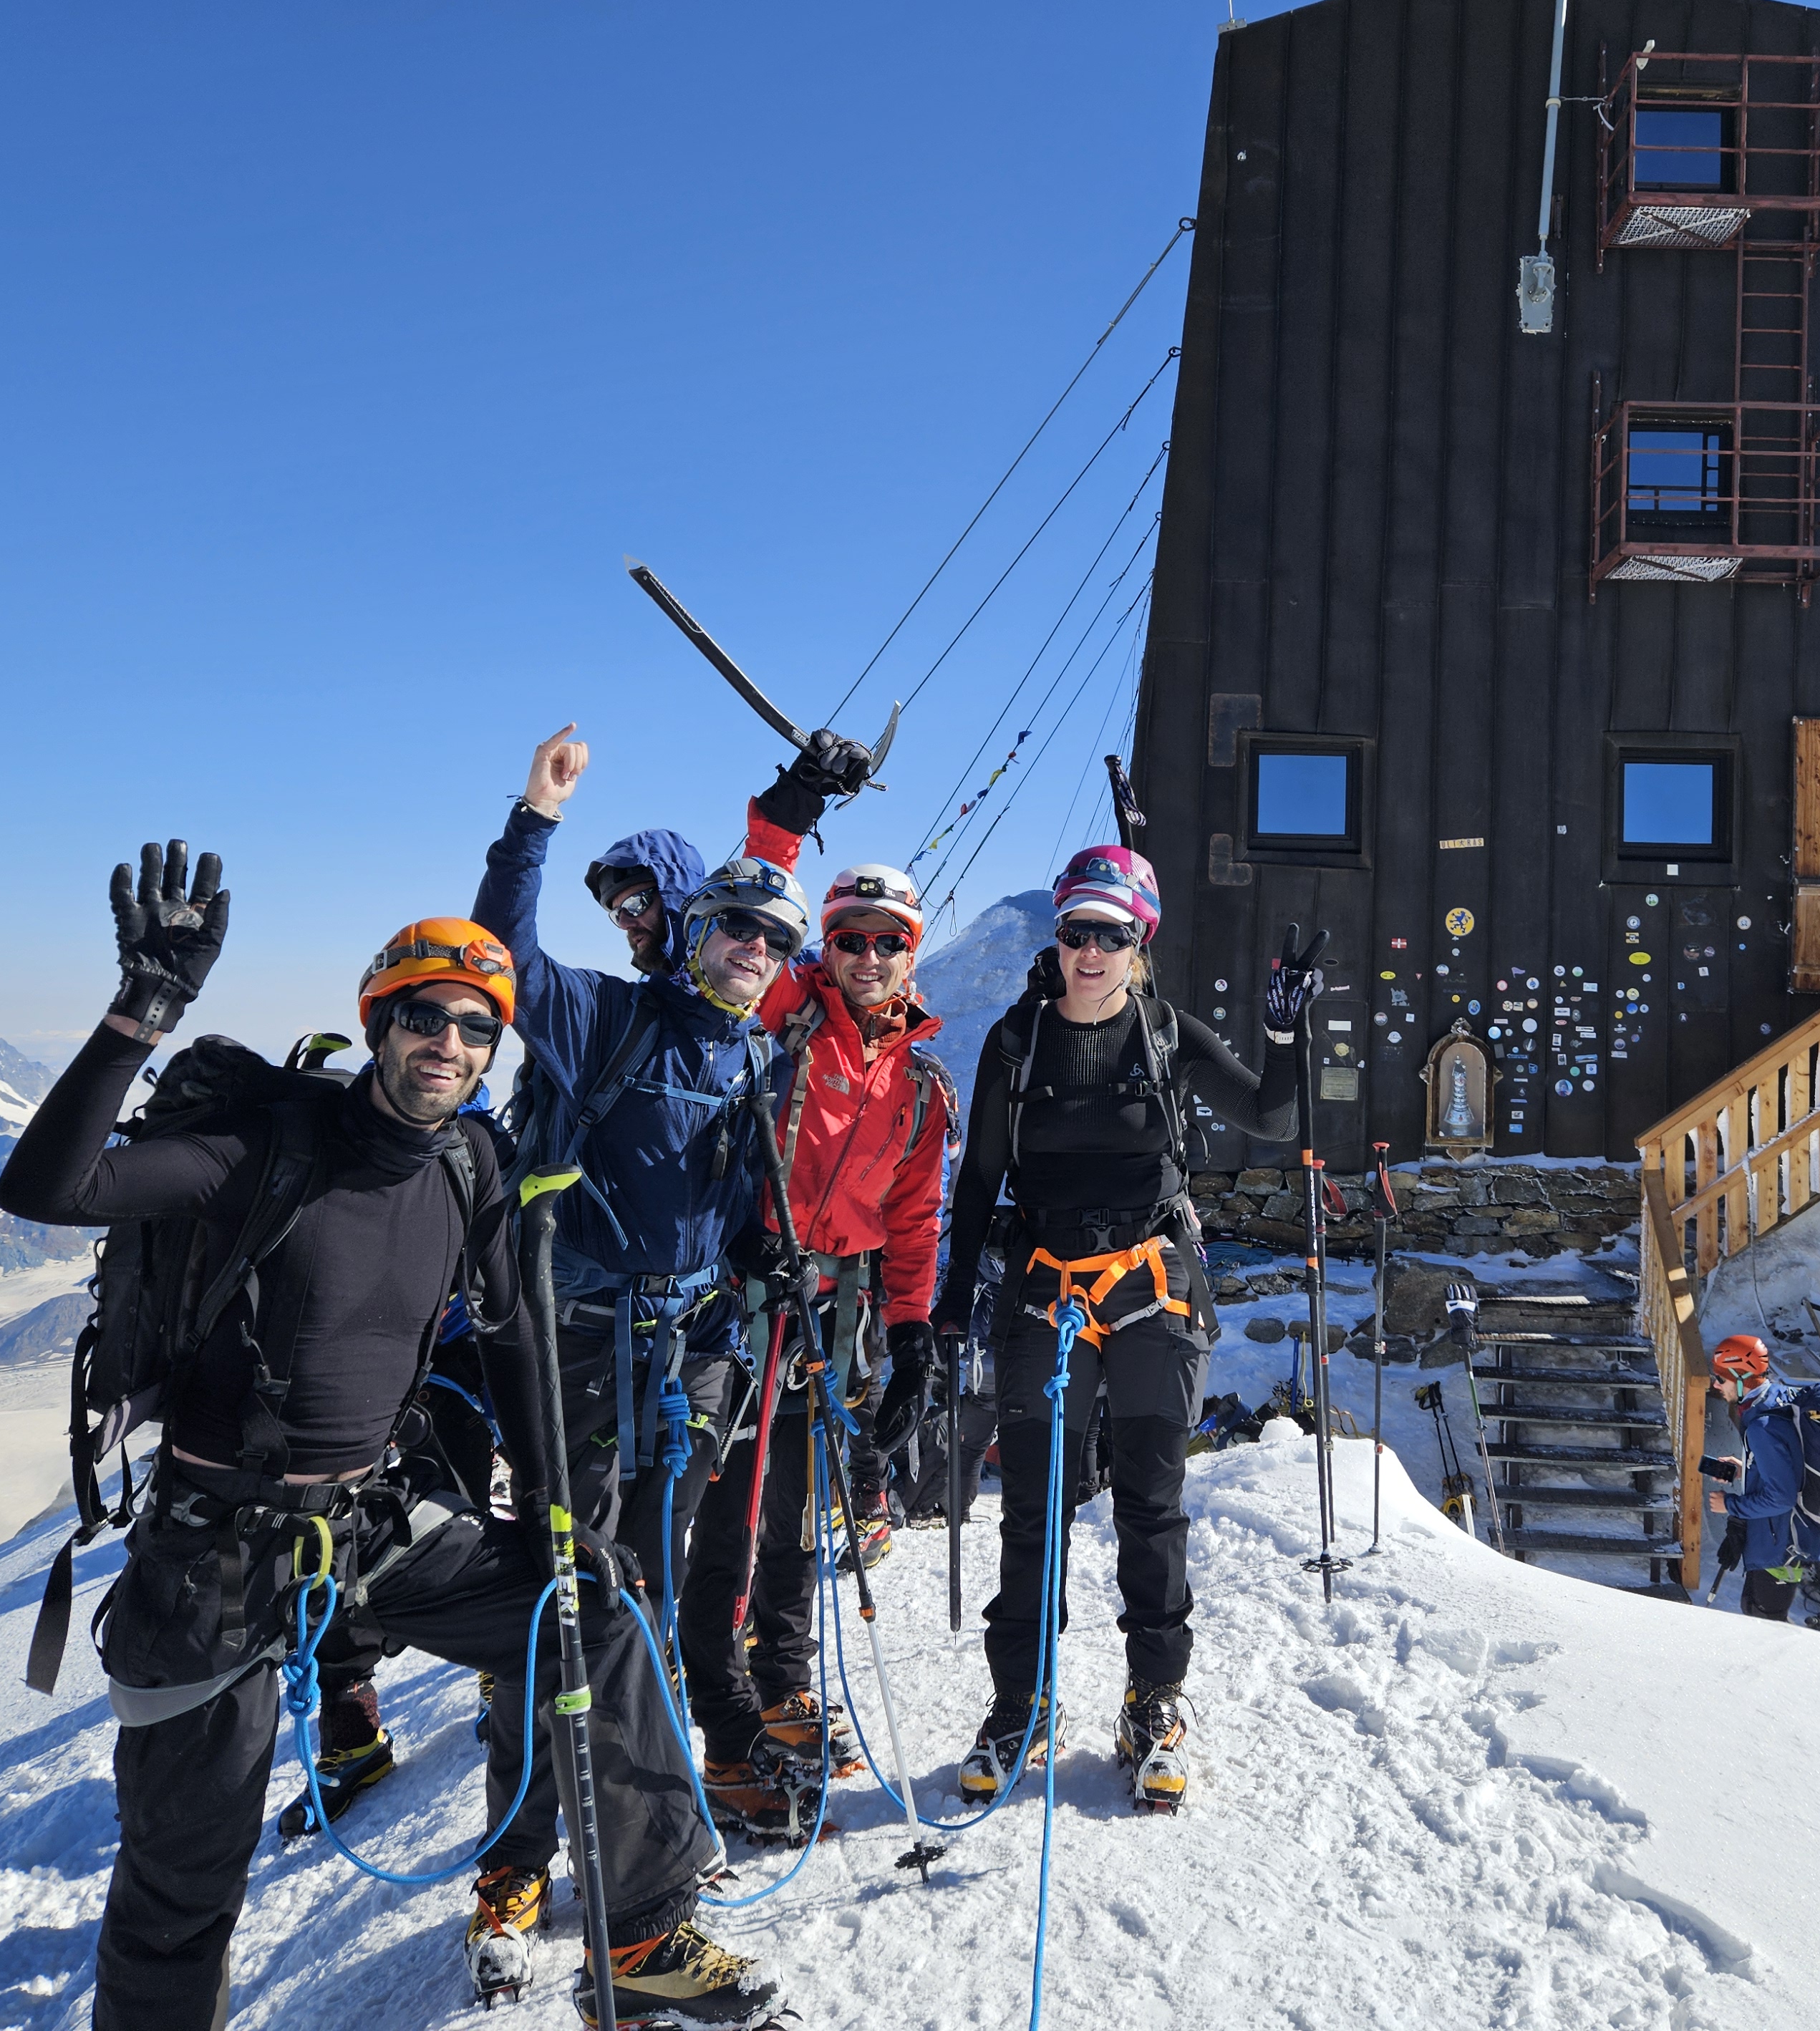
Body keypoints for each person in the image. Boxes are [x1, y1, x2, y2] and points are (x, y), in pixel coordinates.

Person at [0, 843, 773, 2031]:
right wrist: (138, 1015)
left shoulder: (469, 1162)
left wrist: (553, 1518)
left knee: (598, 1618)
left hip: (368, 1523)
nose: (448, 1044)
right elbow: (50, 1190)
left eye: (476, 1028)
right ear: (379, 1022)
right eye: (423, 1017)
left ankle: (640, 1936)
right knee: (183, 1886)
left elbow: (510, 1337)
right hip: (215, 1555)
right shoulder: (267, 1147)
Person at [463, 725, 818, 1987]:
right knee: (560, 1605)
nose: (754, 949)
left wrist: (762, 1262)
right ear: (696, 927)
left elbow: (724, 1206)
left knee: (645, 1610)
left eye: (774, 939)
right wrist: (534, 822)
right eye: (737, 927)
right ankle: (514, 1862)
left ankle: (645, 1847)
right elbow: (502, 957)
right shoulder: (609, 1016)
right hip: (580, 1353)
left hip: (685, 1365)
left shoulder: (756, 1055)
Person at [931, 845, 1303, 1812]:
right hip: (1042, 1291)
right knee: (1034, 1509)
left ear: (1140, 943)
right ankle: (1020, 1703)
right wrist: (950, 1301)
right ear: (1055, 938)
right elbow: (979, 1183)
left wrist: (1285, 1031)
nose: (1090, 951)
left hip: (1152, 1287)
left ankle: (1154, 1701)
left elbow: (1272, 1114)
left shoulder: (1167, 1033)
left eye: (1112, 933)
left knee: (1150, 1502)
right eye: (1075, 931)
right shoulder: (1016, 1042)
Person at [674, 792, 953, 1836]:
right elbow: (745, 921)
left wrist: (912, 1332)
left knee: (796, 1512)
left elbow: (915, 1221)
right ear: (824, 948)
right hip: (740, 1299)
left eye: (889, 942)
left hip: (832, 1315)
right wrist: (783, 821)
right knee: (728, 1513)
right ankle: (723, 1721)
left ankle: (782, 1683)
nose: (868, 957)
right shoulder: (789, 1013)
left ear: (912, 954)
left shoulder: (921, 1085)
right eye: (850, 940)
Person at [1698, 1335, 1820, 1624]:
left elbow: (1781, 1498)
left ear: (1741, 1379)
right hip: (1788, 1537)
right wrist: (1746, 1468)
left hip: (1781, 1544)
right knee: (1759, 1615)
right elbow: (1792, 1460)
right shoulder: (1779, 1398)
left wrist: (1730, 1505)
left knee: (1765, 1623)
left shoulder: (1761, 1427)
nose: (1715, 1385)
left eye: (1721, 1378)